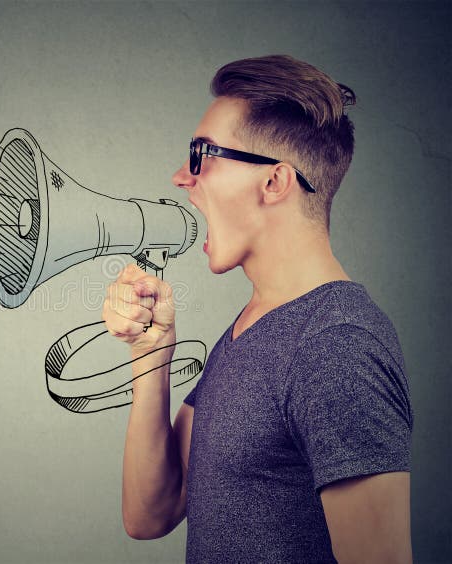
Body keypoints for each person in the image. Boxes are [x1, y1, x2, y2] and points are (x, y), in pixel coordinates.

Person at [102, 55, 413, 563]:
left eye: (202, 154)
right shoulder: (253, 330)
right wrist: (151, 353)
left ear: (275, 182)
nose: (181, 176)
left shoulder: (337, 345)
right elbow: (150, 513)